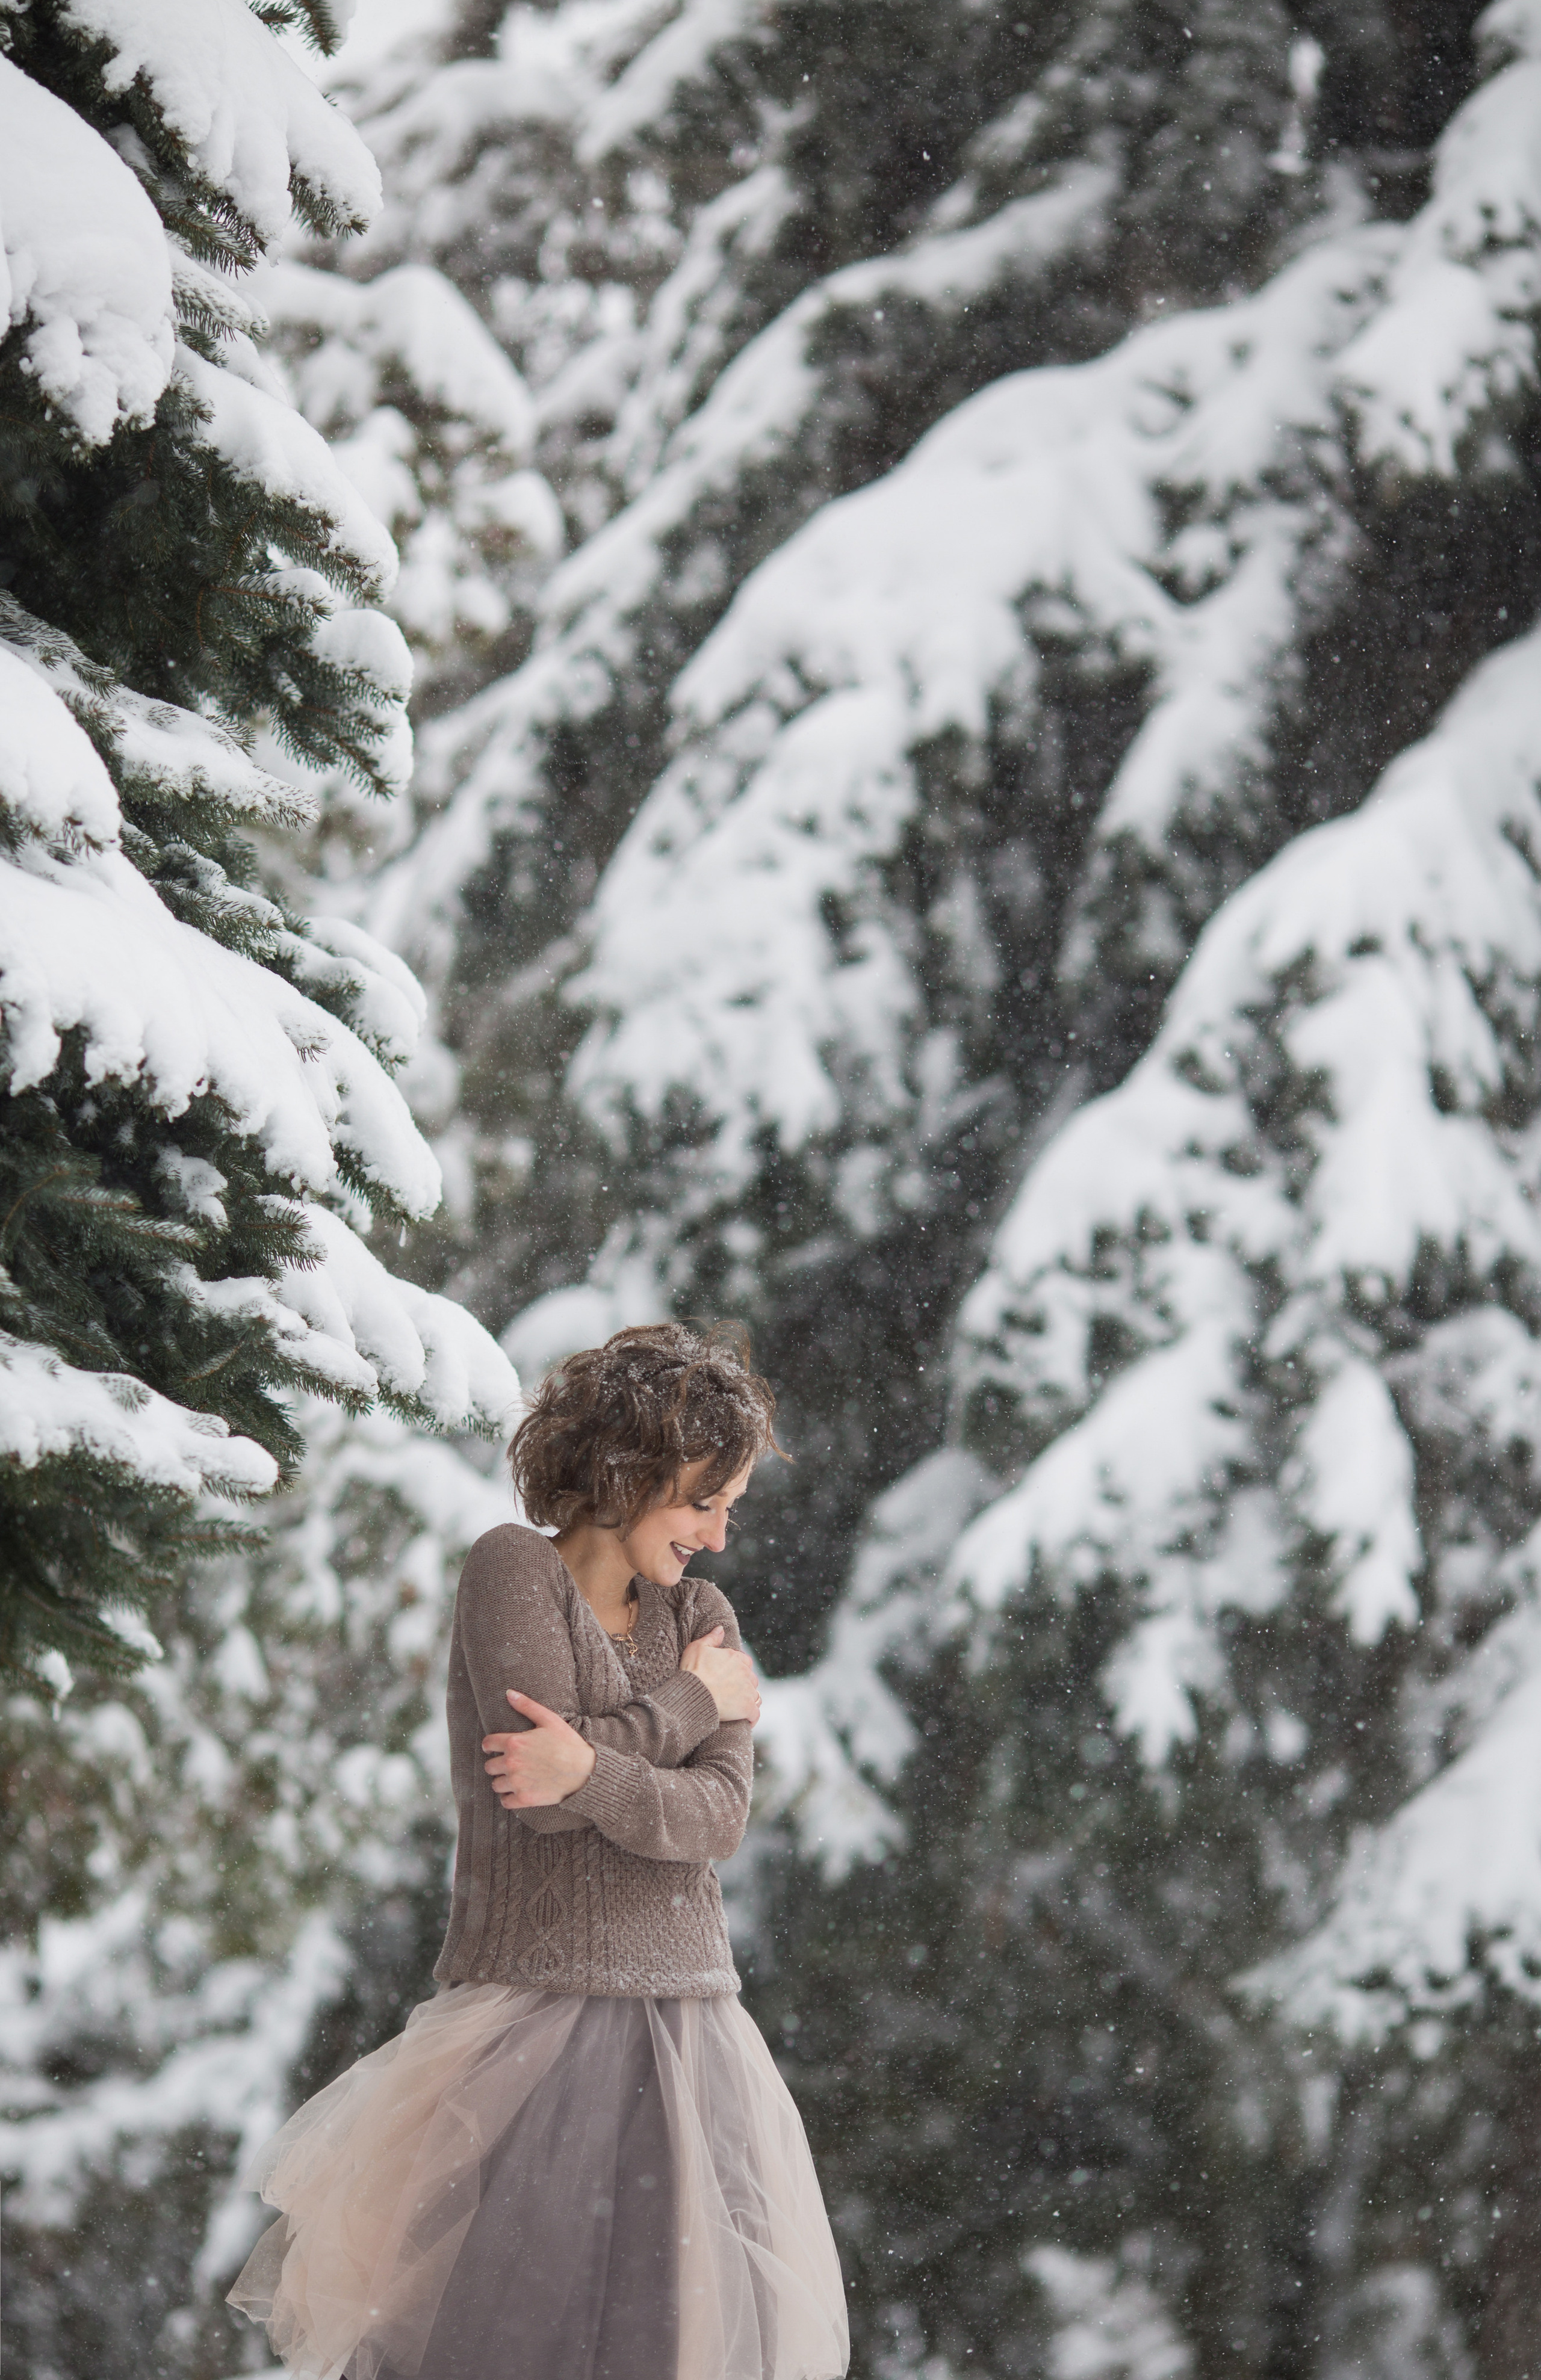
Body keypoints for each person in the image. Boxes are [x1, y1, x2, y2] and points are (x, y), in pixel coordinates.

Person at [229, 1321, 849, 2380]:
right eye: (703, 1501)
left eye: (731, 1508)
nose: (720, 1536)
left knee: (660, 2345)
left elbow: (719, 1818)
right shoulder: (514, 1570)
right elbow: (540, 1795)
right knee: (503, 2343)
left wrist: (594, 1765)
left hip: (690, 2023)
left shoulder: (701, 1608)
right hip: (535, 2022)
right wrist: (693, 1702)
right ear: (625, 1471)